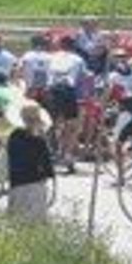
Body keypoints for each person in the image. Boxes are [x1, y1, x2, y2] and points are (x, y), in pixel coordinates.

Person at [7, 101, 55, 223]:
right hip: (35, 184)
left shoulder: (14, 136)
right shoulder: (39, 141)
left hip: (16, 183)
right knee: (35, 225)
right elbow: (47, 167)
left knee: (16, 224)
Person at [47, 35, 86, 173]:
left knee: (51, 123)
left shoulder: (51, 57)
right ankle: (67, 155)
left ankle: (52, 150)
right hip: (68, 92)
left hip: (52, 91)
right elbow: (83, 79)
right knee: (72, 126)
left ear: (60, 44)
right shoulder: (78, 59)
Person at [108, 47, 132, 181]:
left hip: (126, 110)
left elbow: (110, 94)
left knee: (117, 143)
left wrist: (103, 105)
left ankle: (121, 176)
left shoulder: (113, 76)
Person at [19, 34, 52, 103]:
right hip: (45, 89)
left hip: (31, 88)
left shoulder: (27, 55)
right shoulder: (49, 56)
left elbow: (20, 69)